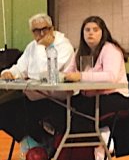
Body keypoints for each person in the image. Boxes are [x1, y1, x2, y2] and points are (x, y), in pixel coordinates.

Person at [63, 16, 129, 160]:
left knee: (80, 111)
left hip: (113, 96)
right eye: (87, 30)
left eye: (95, 30)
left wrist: (81, 76)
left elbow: (110, 77)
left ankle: (103, 140)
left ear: (103, 32)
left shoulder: (110, 50)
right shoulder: (80, 52)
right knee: (63, 108)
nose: (90, 33)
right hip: (90, 96)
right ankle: (98, 141)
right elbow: (68, 72)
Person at [0, 14, 74, 146]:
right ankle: (31, 142)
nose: (40, 33)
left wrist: (45, 47)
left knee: (17, 111)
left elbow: (47, 74)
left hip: (57, 100)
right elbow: (20, 68)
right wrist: (9, 73)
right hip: (34, 96)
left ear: (52, 29)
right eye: (36, 30)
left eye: (44, 29)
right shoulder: (32, 47)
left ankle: (44, 143)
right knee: (4, 109)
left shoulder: (64, 46)